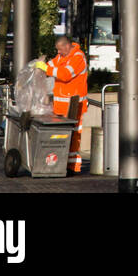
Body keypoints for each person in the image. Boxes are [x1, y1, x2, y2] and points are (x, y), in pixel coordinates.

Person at [43, 35, 89, 175]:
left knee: (74, 136)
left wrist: (46, 69)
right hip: (61, 106)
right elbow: (51, 64)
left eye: (59, 49)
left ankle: (72, 167)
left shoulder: (78, 57)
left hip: (75, 105)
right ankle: (60, 163)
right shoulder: (62, 57)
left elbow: (65, 75)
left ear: (66, 46)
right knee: (61, 136)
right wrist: (41, 65)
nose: (58, 52)